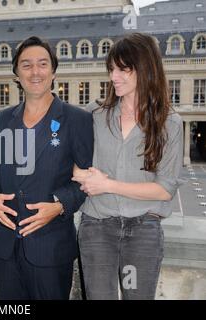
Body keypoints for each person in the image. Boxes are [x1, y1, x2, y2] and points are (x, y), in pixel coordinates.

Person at [0, 36, 93, 300]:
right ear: (16, 74)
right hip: (5, 246)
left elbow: (87, 180)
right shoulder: (5, 118)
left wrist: (60, 205)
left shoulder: (77, 120)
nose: (35, 72)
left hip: (50, 247)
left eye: (42, 64)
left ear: (53, 71)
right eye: (26, 65)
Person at [72, 32, 184, 300]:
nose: (114, 77)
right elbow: (69, 162)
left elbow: (164, 189)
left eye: (123, 69)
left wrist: (107, 185)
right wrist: (81, 175)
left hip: (142, 231)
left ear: (146, 69)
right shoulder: (94, 115)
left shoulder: (169, 123)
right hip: (97, 228)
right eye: (112, 69)